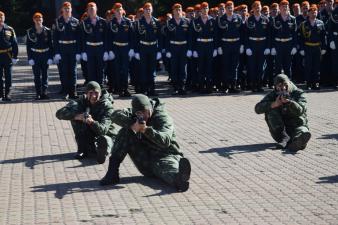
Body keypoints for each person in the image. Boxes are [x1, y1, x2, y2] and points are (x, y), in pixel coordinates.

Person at [100, 94, 191, 192]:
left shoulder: (163, 118)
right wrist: (132, 124)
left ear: (150, 109)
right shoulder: (135, 114)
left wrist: (146, 130)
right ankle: (112, 172)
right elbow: (114, 115)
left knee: (165, 167)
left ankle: (179, 179)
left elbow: (165, 141)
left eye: (145, 112)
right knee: (125, 131)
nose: (143, 116)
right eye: (139, 113)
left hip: (165, 155)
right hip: (145, 158)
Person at [55, 81, 119, 163]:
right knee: (75, 119)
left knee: (105, 139)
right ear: (86, 94)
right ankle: (83, 149)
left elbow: (103, 130)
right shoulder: (81, 101)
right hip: (89, 133)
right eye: (91, 93)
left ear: (100, 93)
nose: (94, 96)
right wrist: (77, 116)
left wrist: (92, 122)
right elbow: (59, 113)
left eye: (96, 93)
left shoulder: (107, 106)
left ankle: (103, 151)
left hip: (106, 132)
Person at [255, 74, 311, 152]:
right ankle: (285, 138)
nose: (283, 88)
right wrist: (273, 104)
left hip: (296, 125)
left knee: (303, 131)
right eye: (280, 86)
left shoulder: (298, 93)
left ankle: (299, 142)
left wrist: (290, 103)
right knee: (270, 109)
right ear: (275, 87)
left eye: (285, 85)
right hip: (280, 131)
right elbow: (257, 109)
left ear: (289, 83)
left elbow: (301, 110)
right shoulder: (273, 94)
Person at [52, 2, 81, 99]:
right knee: (64, 71)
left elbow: (79, 39)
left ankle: (73, 92)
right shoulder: (57, 22)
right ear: (62, 10)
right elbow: (55, 39)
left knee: (73, 71)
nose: (67, 10)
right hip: (62, 49)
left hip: (72, 48)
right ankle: (65, 91)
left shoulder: (76, 22)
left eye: (69, 8)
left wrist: (78, 52)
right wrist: (56, 53)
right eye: (65, 9)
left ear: (71, 10)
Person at [26, 12, 53, 100]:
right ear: (34, 20)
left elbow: (50, 45)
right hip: (35, 56)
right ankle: (38, 93)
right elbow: (28, 46)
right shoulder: (30, 31)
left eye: (40, 19)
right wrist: (30, 58)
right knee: (37, 76)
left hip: (45, 54)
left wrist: (50, 57)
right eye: (36, 20)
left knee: (45, 75)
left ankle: (44, 93)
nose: (38, 21)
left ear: (42, 20)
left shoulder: (47, 31)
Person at [0, 10, 18, 101]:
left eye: (2, 18)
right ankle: (0, 95)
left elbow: (14, 43)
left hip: (7, 55)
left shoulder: (10, 29)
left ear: (4, 18)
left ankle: (7, 95)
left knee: (8, 77)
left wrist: (15, 56)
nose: (0, 19)